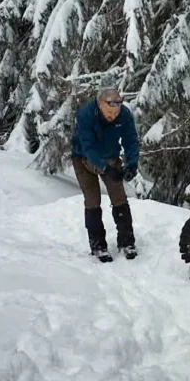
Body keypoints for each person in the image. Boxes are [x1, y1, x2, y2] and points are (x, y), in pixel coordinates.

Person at [70, 86, 139, 262]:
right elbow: (89, 147)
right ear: (100, 104)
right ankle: (98, 246)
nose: (113, 116)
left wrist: (132, 164)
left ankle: (127, 242)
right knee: (92, 200)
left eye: (115, 113)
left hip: (110, 156)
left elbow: (130, 139)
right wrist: (106, 169)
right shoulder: (85, 115)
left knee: (119, 198)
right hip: (83, 158)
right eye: (109, 113)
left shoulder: (123, 114)